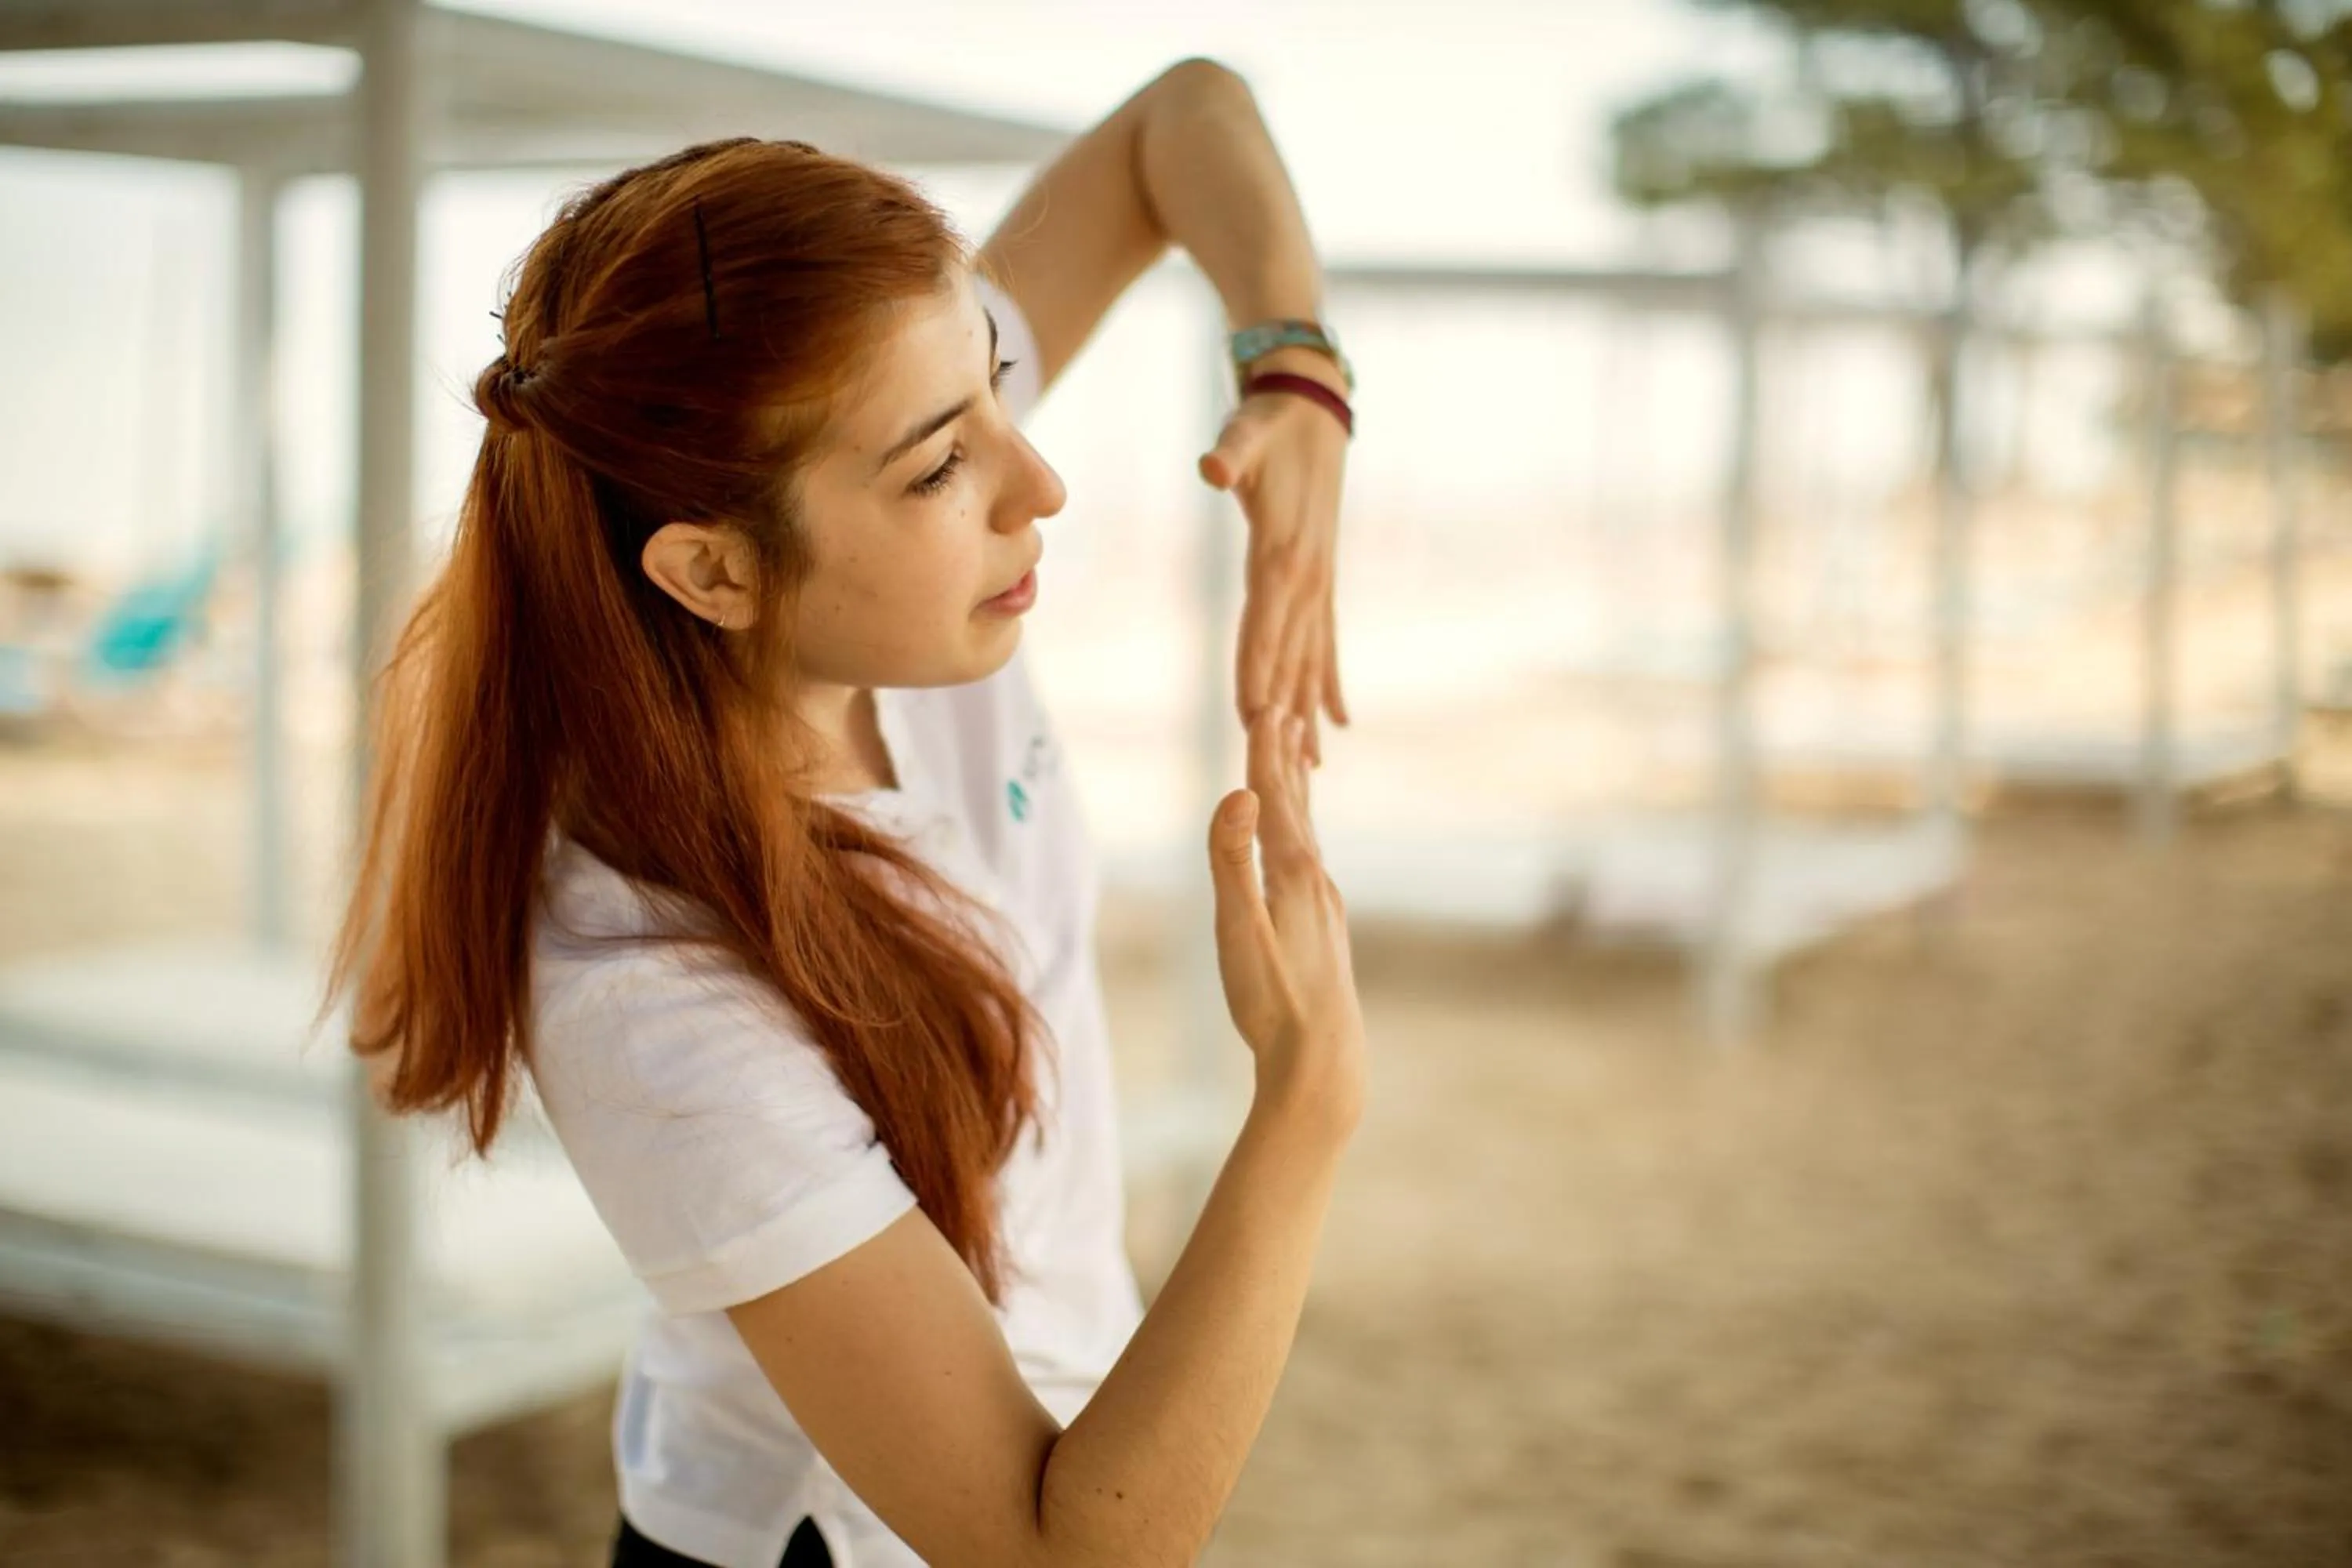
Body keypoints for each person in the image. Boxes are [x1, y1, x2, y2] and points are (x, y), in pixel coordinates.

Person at [328, 58, 1365, 1568]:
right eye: (943, 465)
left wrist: (1295, 371)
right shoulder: (651, 991)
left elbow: (1182, 118)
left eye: (997, 383)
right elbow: (1057, 1547)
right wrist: (1305, 1106)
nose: (1037, 482)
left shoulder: (898, 605)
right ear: (715, 572)